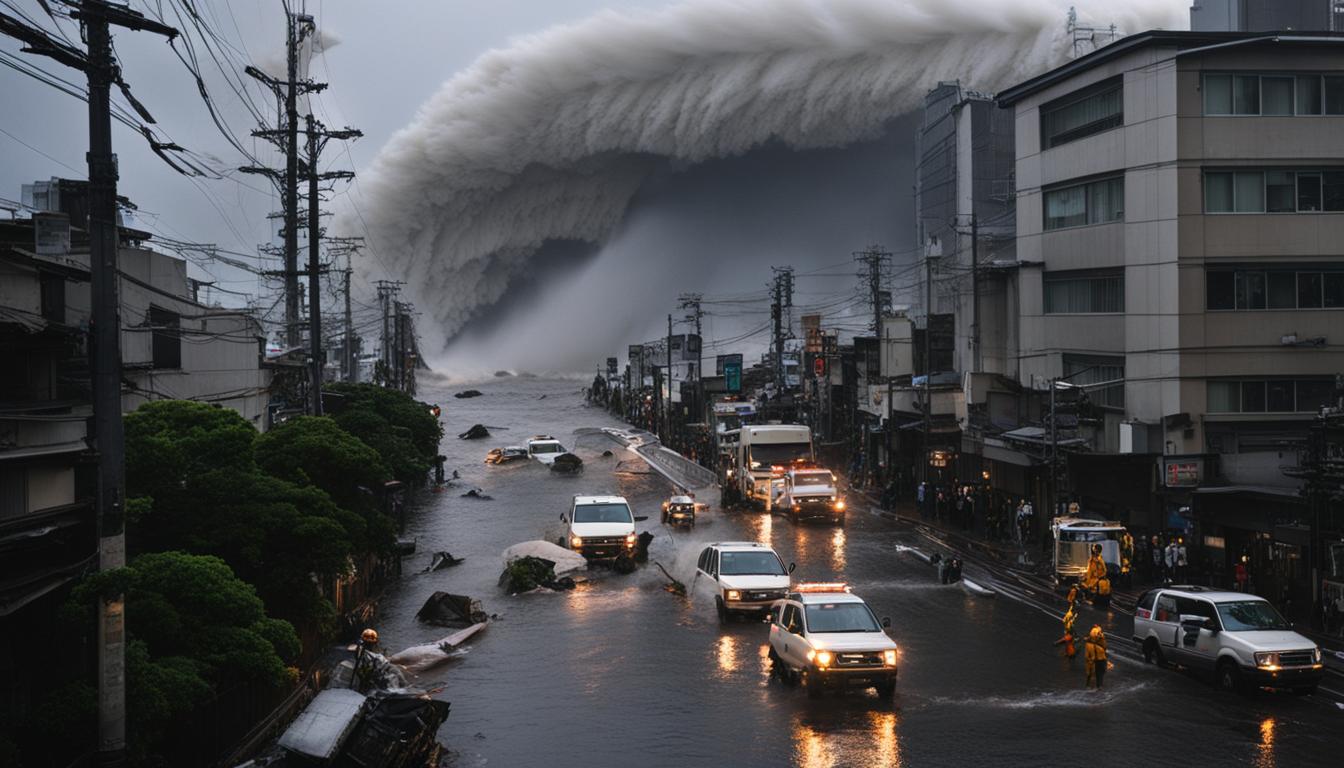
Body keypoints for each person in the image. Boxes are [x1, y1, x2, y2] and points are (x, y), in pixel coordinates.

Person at [1084, 625, 1108, 689]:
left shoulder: (1090, 644)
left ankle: (1094, 685)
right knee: (1098, 672)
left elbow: (1086, 656)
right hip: (1098, 660)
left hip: (1097, 660)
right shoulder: (1099, 643)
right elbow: (1105, 647)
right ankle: (1097, 685)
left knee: (1097, 672)